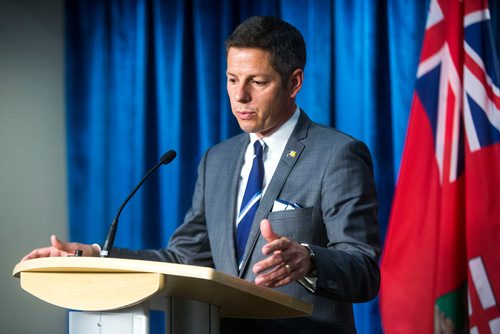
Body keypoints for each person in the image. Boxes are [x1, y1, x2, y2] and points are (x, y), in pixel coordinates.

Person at [23, 16, 380, 334]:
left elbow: (364, 269)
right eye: (232, 79)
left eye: (257, 81)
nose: (240, 96)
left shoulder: (337, 154)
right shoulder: (218, 160)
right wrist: (95, 256)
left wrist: (309, 259)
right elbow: (183, 259)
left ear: (294, 82)